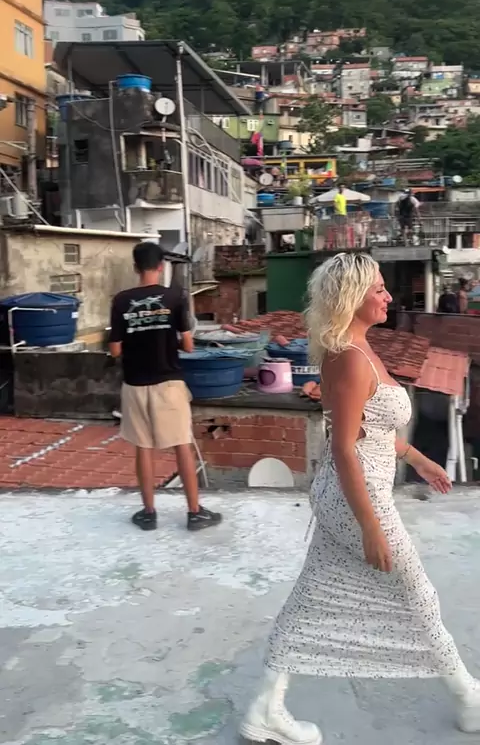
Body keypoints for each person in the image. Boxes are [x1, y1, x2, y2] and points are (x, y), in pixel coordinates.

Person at [241, 253, 480, 745]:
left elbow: (375, 432)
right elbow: (345, 447)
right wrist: (370, 525)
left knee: (311, 597)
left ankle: (265, 708)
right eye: (378, 289)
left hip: (350, 493)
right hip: (356, 498)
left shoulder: (359, 348)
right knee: (417, 595)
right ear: (352, 298)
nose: (389, 296)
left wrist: (418, 458)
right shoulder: (349, 358)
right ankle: (469, 699)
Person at [109, 241, 222, 533]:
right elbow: (188, 345)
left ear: (135, 267)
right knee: (182, 444)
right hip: (169, 383)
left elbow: (115, 350)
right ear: (161, 266)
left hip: (135, 384)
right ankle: (194, 513)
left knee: (143, 447)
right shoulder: (175, 297)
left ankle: (148, 513)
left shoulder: (121, 301)